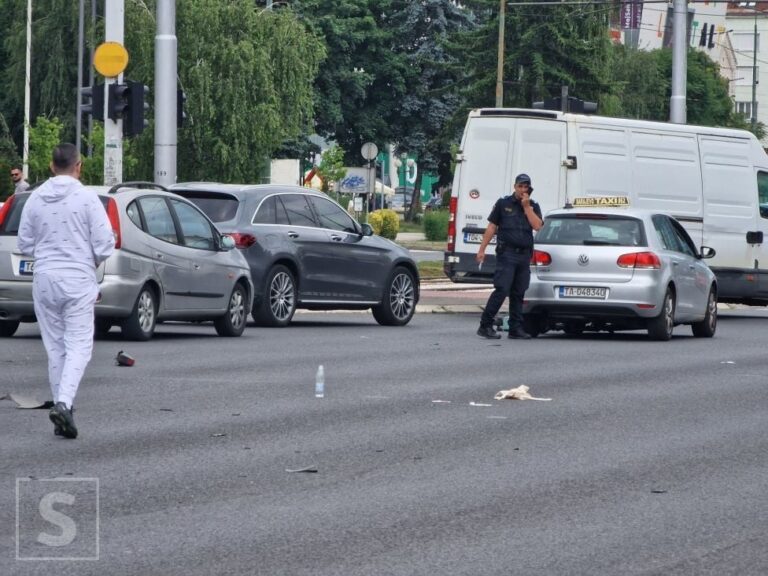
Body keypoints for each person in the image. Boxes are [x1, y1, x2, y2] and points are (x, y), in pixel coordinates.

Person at [17, 143, 115, 439]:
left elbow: (24, 244)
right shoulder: (87, 198)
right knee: (79, 346)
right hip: (77, 279)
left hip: (45, 279)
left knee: (55, 346)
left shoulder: (34, 199)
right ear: (78, 166)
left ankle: (64, 410)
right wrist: (89, 258)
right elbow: (105, 244)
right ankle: (63, 403)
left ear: (51, 165)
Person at [475, 173, 543, 340]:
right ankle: (485, 325)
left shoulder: (533, 206)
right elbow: (492, 227)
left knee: (519, 292)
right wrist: (482, 249)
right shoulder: (503, 203)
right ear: (515, 187)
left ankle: (515, 328)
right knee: (502, 289)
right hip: (507, 253)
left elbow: (537, 226)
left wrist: (527, 207)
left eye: (525, 187)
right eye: (520, 186)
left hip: (524, 255)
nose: (522, 190)